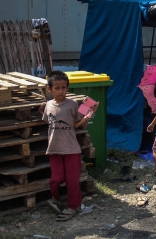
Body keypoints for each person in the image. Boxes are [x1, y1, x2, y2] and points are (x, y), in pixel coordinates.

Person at [38, 70, 98, 221]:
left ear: (68, 88)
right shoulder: (48, 106)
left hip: (71, 149)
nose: (61, 91)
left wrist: (88, 115)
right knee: (56, 179)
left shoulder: (72, 104)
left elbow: (75, 124)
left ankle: (73, 206)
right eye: (57, 88)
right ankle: (55, 198)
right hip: (54, 149)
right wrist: (41, 108)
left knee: (72, 180)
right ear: (50, 89)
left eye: (64, 87)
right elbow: (47, 119)